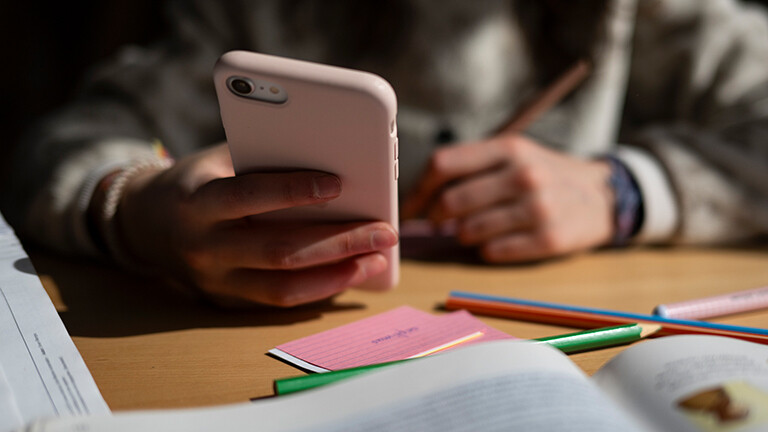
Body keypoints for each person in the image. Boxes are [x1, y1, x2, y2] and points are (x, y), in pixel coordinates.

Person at [4, 0, 768, 307]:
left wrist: (625, 191)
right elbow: (63, 140)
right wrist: (134, 208)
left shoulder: (646, 13)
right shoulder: (254, 10)